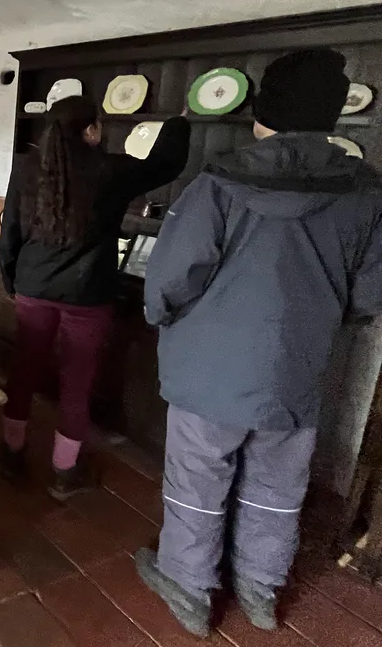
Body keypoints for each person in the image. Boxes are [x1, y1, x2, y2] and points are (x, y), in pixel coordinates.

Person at [135, 48, 382, 637]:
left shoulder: (220, 183)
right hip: (299, 369)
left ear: (261, 116)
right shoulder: (366, 194)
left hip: (210, 369)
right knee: (278, 481)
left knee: (199, 474)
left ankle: (189, 588)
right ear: (330, 118)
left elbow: (171, 275)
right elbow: (370, 294)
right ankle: (261, 587)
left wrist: (159, 313)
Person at [0, 96, 190, 499]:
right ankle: (64, 473)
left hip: (33, 286)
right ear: (90, 130)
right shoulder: (110, 170)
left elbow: (10, 229)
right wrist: (176, 123)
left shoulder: (28, 167)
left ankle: (11, 452)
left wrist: (9, 279)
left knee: (24, 371)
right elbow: (166, 164)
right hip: (87, 295)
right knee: (77, 382)